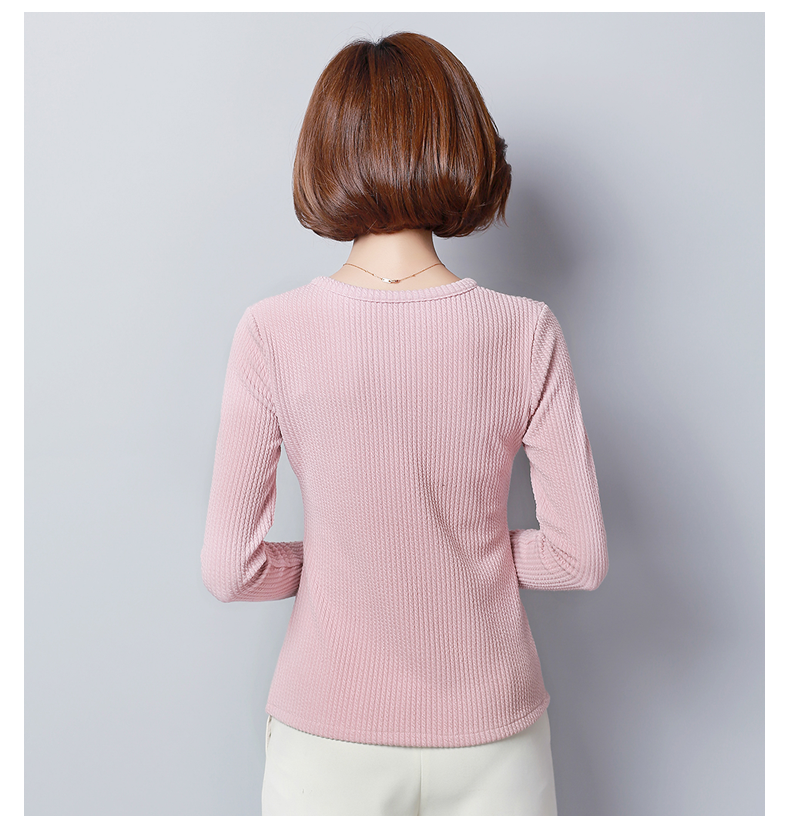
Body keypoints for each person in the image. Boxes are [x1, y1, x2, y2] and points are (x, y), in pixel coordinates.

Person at [200, 31, 608, 816]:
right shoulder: (526, 331)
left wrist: (347, 556)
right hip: (495, 738)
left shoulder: (270, 332)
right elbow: (577, 558)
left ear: (326, 154)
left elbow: (230, 570)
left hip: (327, 740)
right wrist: (458, 549)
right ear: (465, 144)